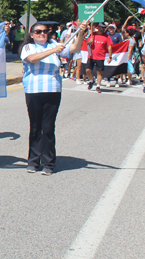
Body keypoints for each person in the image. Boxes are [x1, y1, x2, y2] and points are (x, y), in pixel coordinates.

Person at [21, 21, 87, 175]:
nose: (42, 34)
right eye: (38, 31)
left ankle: (48, 163)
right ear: (32, 34)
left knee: (48, 127)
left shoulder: (55, 44)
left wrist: (81, 33)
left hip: (52, 90)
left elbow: (74, 48)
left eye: (45, 31)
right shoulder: (28, 47)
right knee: (36, 126)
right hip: (34, 90)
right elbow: (31, 59)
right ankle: (33, 161)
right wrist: (53, 51)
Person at [86, 22, 112, 93]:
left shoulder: (107, 36)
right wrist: (89, 42)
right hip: (91, 56)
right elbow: (87, 43)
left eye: (104, 28)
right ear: (98, 27)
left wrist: (110, 56)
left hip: (100, 57)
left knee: (99, 72)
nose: (103, 29)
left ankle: (98, 85)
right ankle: (91, 80)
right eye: (102, 27)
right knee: (88, 70)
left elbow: (109, 47)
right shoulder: (93, 34)